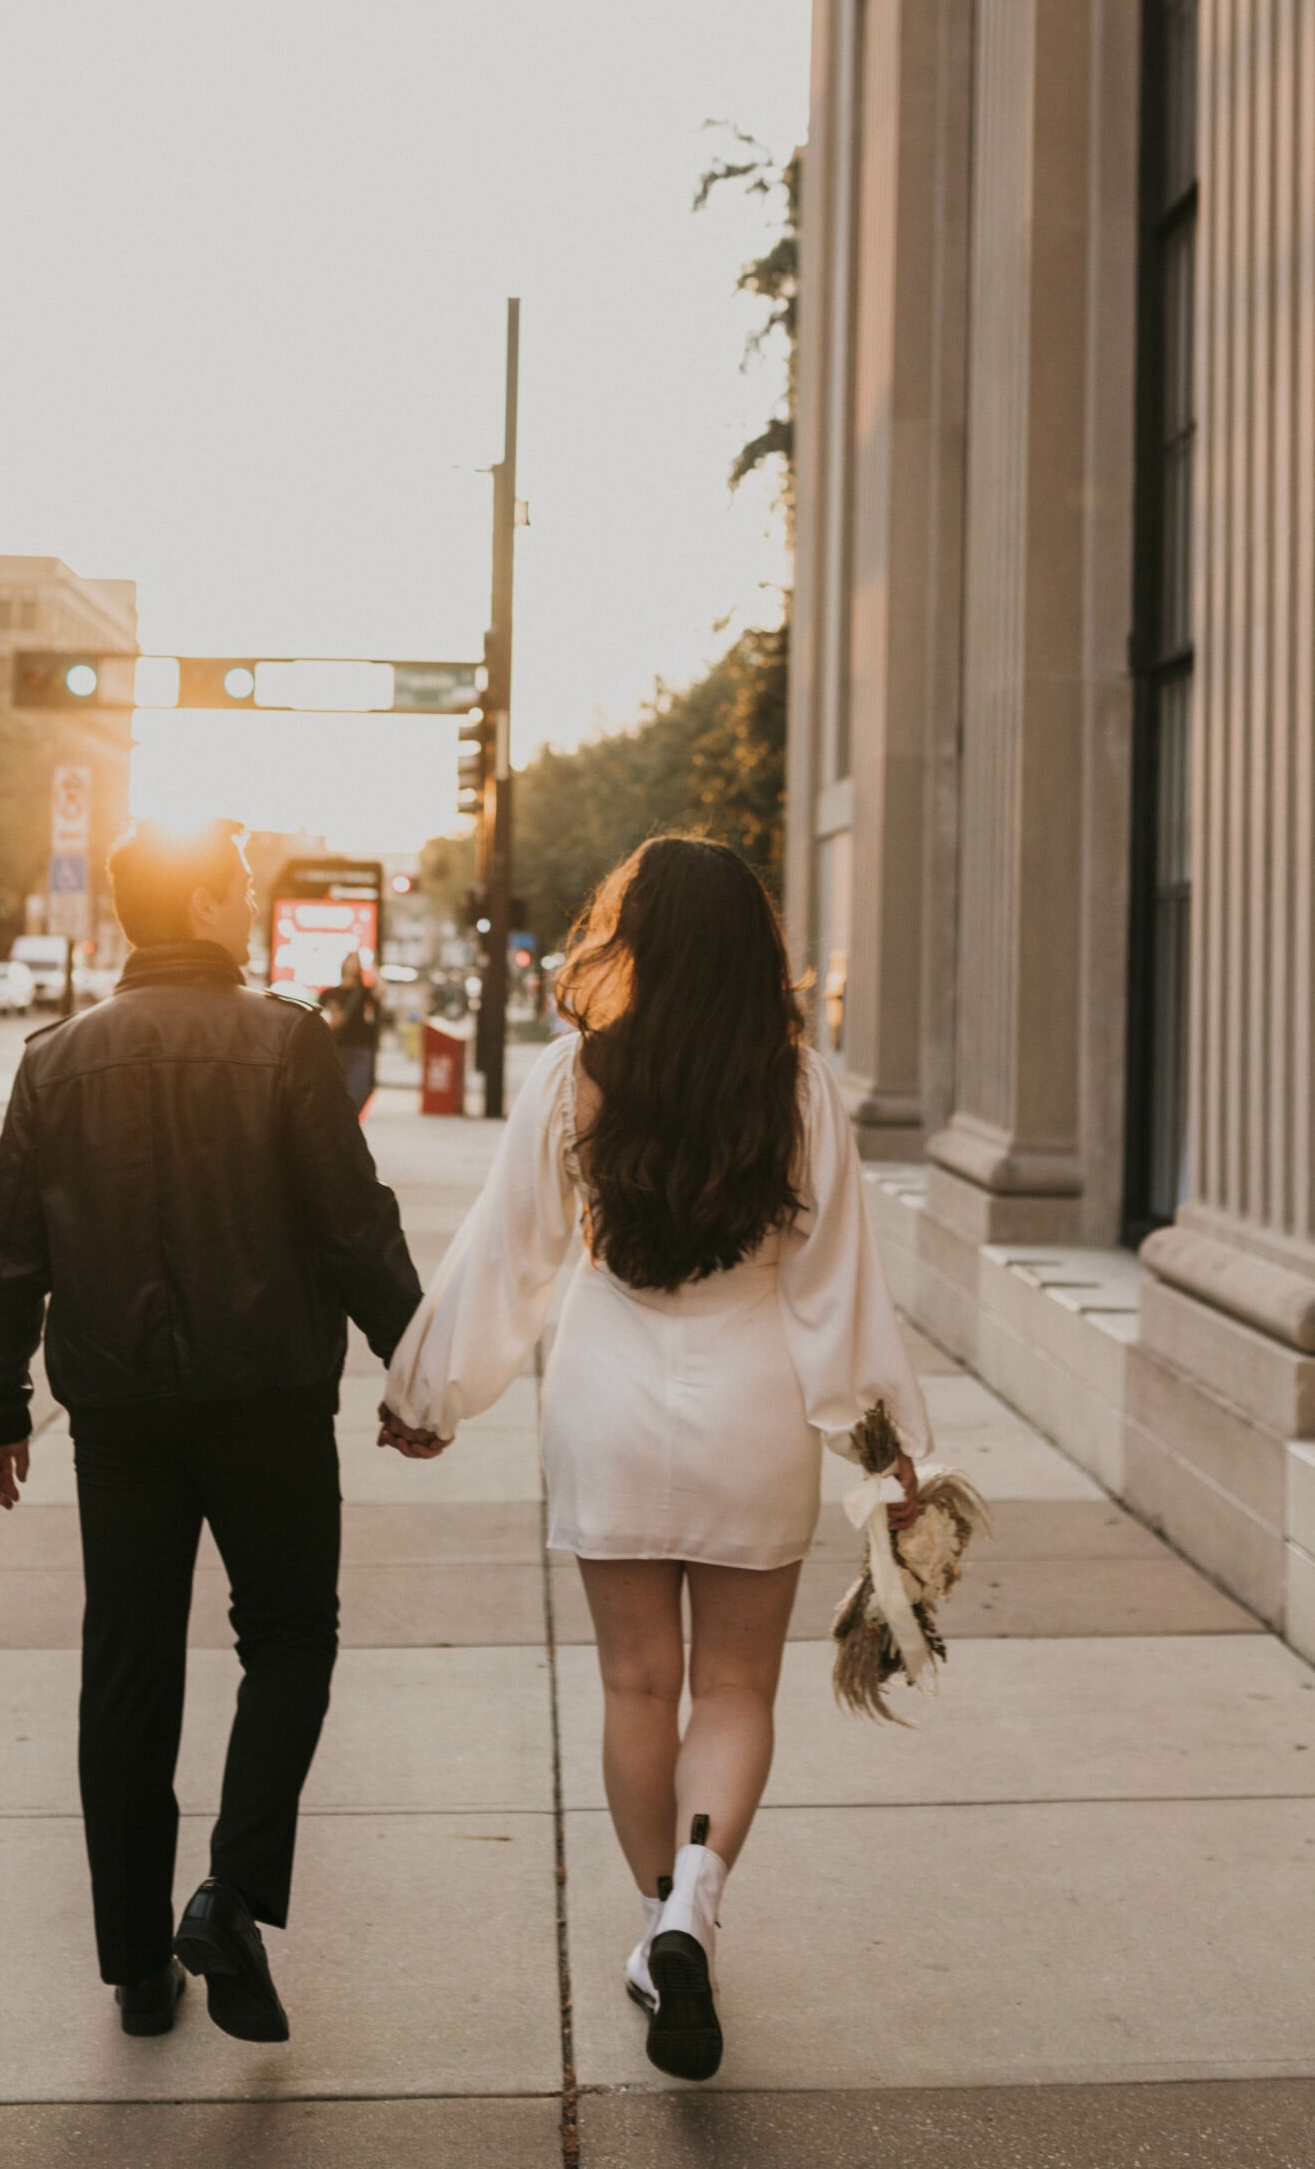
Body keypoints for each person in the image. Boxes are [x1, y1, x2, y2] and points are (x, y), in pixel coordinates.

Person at [378, 835, 931, 2083]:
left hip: (608, 1399)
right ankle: (696, 1903)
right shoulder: (794, 1086)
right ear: (753, 946)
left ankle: (656, 1922)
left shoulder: (578, 1075)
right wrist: (886, 1445)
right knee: (735, 1686)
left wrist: (432, 1392)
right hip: (755, 1406)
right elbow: (837, 1281)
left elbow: (507, 1254)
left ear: (634, 938)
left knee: (637, 1686)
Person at [0, 819, 424, 2044]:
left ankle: (134, 1967)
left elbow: (12, 1246)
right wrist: (415, 1366)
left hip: (115, 1410)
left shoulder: (55, 1059)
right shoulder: (284, 1042)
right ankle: (227, 1892)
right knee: (289, 1637)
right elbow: (351, 1223)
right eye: (240, 888)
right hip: (267, 1397)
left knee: (125, 1664)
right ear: (216, 905)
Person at [319, 947, 380, 1114]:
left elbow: (381, 991)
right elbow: (318, 1022)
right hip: (335, 1049)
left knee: (357, 1093)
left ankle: (347, 1126)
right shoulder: (329, 994)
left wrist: (374, 966)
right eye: (350, 959)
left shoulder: (363, 993)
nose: (353, 963)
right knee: (333, 1093)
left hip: (360, 1049)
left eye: (356, 960)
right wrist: (332, 1022)